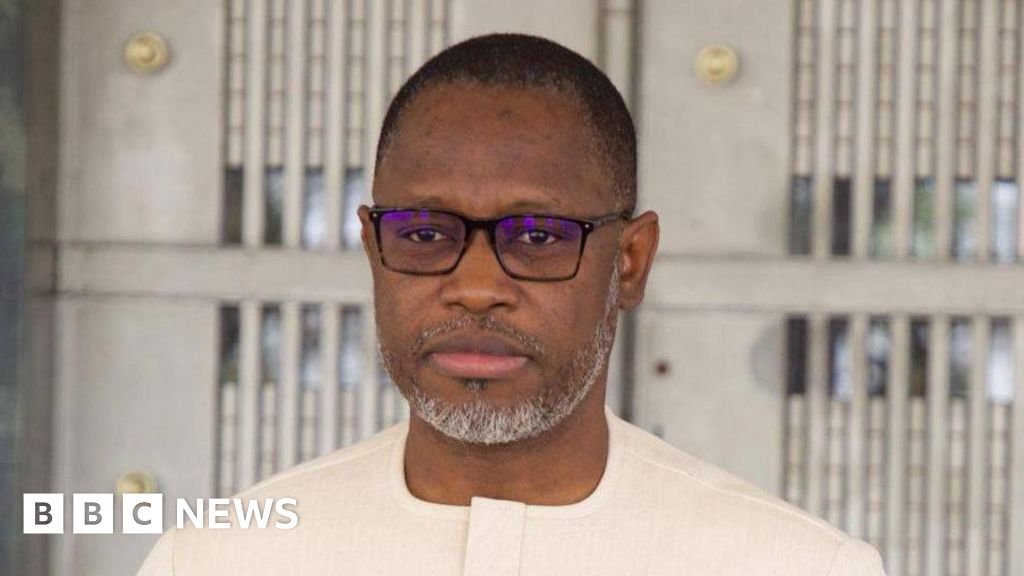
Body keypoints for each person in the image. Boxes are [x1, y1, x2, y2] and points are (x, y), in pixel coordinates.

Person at [138, 33, 886, 575]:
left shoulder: (794, 565)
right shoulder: (217, 559)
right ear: (372, 248)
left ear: (629, 262)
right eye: (424, 233)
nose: (475, 286)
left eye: (537, 236)